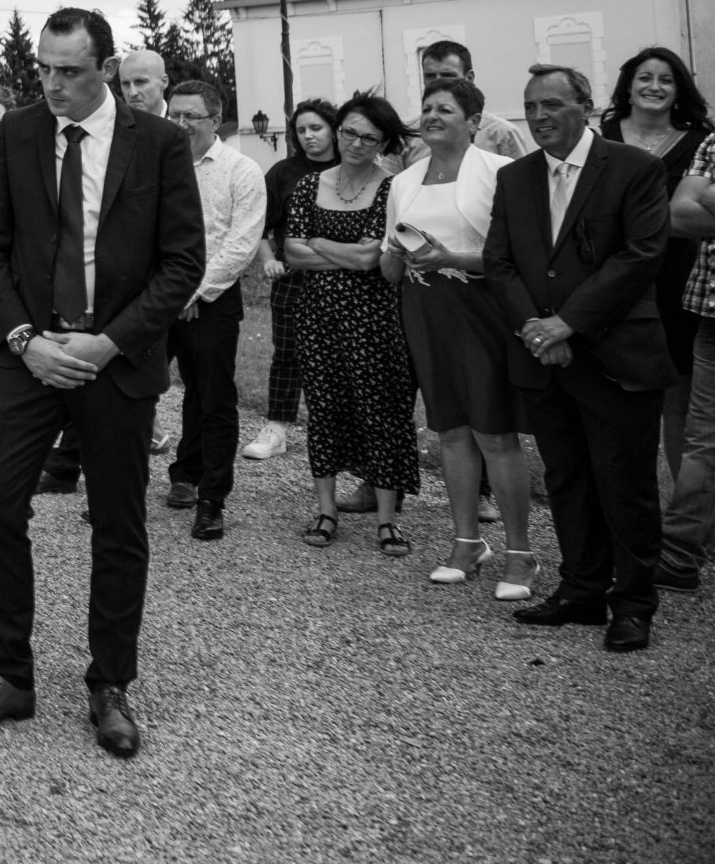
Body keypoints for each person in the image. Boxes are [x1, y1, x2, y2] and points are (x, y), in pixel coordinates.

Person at [0, 7, 203, 760]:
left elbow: (182, 263)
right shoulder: (17, 133)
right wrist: (25, 340)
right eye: (42, 68)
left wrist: (109, 342)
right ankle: (11, 673)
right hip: (29, 356)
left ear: (106, 69)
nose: (51, 83)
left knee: (118, 522)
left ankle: (110, 684)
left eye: (68, 71)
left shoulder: (158, 142)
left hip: (114, 358)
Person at [488, 65, 672, 653]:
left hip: (616, 355)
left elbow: (641, 255)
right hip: (544, 359)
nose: (539, 116)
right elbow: (500, 263)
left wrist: (568, 323)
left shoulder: (634, 168)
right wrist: (538, 332)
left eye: (551, 104)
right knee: (567, 479)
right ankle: (582, 589)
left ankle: (634, 604)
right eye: (530, 106)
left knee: (625, 485)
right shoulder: (515, 177)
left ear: (586, 106)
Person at [377, 79, 537, 597]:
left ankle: (521, 554)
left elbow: (518, 256)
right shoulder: (404, 182)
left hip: (483, 309)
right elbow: (389, 269)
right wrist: (393, 252)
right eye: (426, 107)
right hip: (425, 311)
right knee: (450, 431)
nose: (432, 115)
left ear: (474, 121)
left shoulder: (500, 172)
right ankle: (467, 541)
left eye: (445, 109)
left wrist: (449, 257)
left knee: (495, 432)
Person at [285, 93, 419, 556]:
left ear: (384, 143)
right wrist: (341, 251)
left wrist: (318, 242)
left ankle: (387, 520)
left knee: (381, 411)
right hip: (317, 316)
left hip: (374, 320)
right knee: (324, 409)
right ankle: (326, 511)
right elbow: (291, 252)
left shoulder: (391, 189)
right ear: (338, 130)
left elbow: (371, 260)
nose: (356, 143)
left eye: (369, 137)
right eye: (349, 132)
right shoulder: (309, 185)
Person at [597, 46, 709, 485]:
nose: (654, 87)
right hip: (615, 280)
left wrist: (635, 218)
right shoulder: (602, 138)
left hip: (679, 280)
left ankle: (683, 509)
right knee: (622, 402)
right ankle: (631, 506)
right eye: (645, 77)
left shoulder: (699, 141)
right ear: (629, 86)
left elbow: (701, 216)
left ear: (679, 91)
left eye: (666, 79)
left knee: (679, 401)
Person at [162, 80, 266, 540]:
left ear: (215, 120)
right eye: (175, 115)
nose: (181, 124)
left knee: (213, 397)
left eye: (191, 116)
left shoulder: (241, 170)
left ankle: (211, 499)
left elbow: (242, 243)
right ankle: (146, 484)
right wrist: (166, 292)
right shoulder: (160, 162)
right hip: (159, 296)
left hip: (213, 297)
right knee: (134, 390)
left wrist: (193, 293)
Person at [242, 100, 338, 461]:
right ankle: (277, 428)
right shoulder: (283, 172)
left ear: (333, 130)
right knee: (287, 354)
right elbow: (260, 224)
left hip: (341, 277)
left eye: (316, 128)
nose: (309, 136)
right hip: (292, 276)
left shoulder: (351, 168)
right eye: (301, 130)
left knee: (336, 357)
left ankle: (334, 433)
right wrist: (268, 260)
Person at [663, 137, 715, 592]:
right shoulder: (713, 142)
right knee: (703, 440)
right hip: (711, 312)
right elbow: (678, 215)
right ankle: (679, 557)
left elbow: (696, 204)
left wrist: (708, 195)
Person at [409, 40, 535, 163]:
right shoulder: (408, 136)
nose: (438, 83)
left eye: (447, 75)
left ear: (469, 78)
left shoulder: (502, 134)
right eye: (430, 76)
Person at [116, 49, 169, 119]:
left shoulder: (180, 122)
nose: (132, 93)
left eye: (140, 82)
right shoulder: (112, 123)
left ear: (164, 81)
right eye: (126, 84)